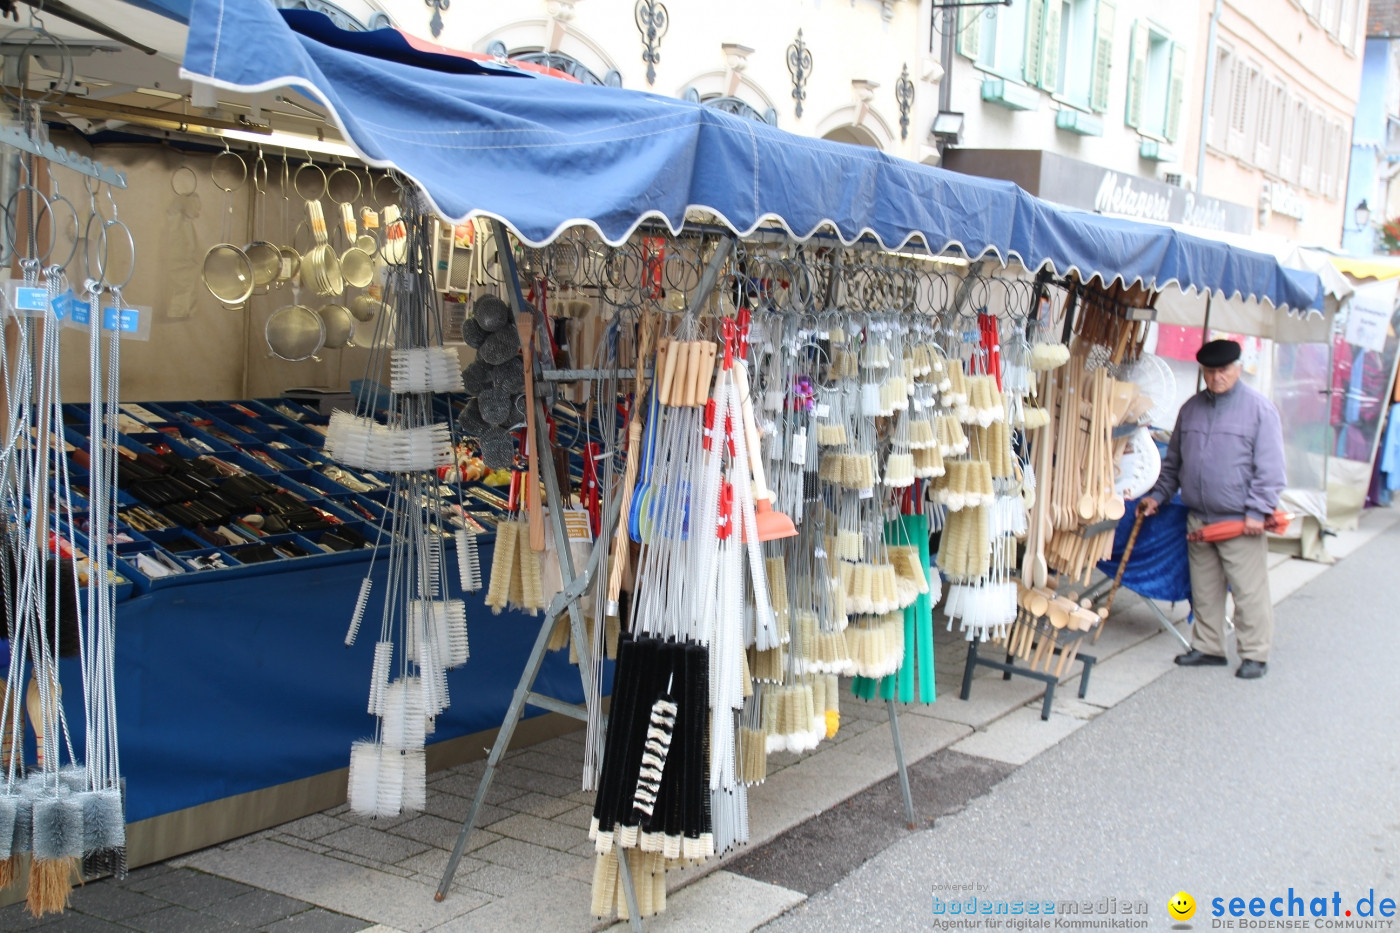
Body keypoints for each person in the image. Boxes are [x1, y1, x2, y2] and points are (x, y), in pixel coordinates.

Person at [1137, 339, 1286, 680]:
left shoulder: (1260, 410)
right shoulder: (1190, 409)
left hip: (1239, 519)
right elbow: (1172, 464)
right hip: (1198, 516)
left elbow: (1271, 469)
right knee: (1204, 589)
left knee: (1249, 592)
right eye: (1210, 371)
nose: (1216, 378)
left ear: (1237, 368)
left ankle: (1254, 653)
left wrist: (1258, 511)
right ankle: (1208, 647)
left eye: (1223, 370)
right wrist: (1159, 496)